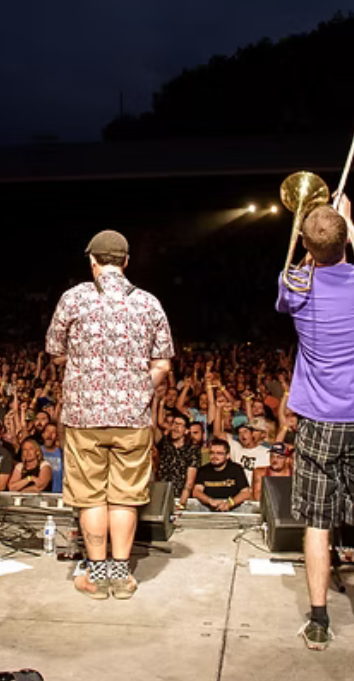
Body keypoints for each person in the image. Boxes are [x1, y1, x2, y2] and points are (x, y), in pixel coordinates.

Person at [276, 195, 354, 655]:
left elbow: (303, 268)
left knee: (318, 524)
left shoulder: (294, 284)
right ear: (346, 239)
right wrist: (348, 219)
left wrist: (313, 236)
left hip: (318, 422)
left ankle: (320, 622)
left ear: (307, 245)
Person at [46, 230, 175, 600]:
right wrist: (137, 388)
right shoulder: (149, 303)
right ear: (126, 261)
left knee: (90, 498)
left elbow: (55, 350)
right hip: (132, 418)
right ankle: (121, 576)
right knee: (124, 497)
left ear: (93, 262)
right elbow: (163, 363)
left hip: (84, 416)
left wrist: (85, 367)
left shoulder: (74, 299)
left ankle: (96, 576)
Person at [189, 439, 252, 512]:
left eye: (219, 453)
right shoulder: (203, 470)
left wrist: (230, 503)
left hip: (233, 510)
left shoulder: (236, 469)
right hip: (209, 511)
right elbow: (196, 492)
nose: (215, 456)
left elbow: (246, 492)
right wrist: (210, 501)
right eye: (212, 453)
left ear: (227, 455)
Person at [155, 411, 201, 506]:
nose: (175, 427)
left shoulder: (192, 449)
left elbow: (190, 481)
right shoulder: (164, 444)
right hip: (161, 494)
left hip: (179, 496)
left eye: (179, 424)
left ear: (186, 430)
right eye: (174, 424)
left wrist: (182, 502)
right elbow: (154, 427)